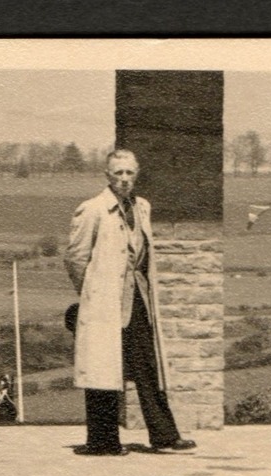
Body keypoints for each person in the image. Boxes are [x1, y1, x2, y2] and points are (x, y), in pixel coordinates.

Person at [64, 149, 195, 456]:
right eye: (118, 173)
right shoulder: (93, 209)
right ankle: (103, 441)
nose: (124, 179)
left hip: (137, 298)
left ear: (137, 175)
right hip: (103, 302)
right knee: (103, 367)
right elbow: (75, 257)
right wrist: (92, 292)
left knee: (148, 364)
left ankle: (164, 435)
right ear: (107, 176)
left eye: (129, 173)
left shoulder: (142, 207)